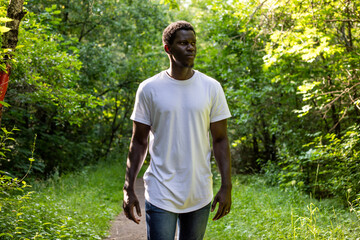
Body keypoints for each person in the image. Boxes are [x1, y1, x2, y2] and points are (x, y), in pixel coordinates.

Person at [122, 20, 232, 240]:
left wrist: (226, 185)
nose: (191, 48)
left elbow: (220, 140)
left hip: (199, 191)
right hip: (161, 190)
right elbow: (139, 141)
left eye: (193, 43)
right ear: (168, 49)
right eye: (183, 43)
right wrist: (129, 187)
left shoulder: (211, 87)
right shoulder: (149, 88)